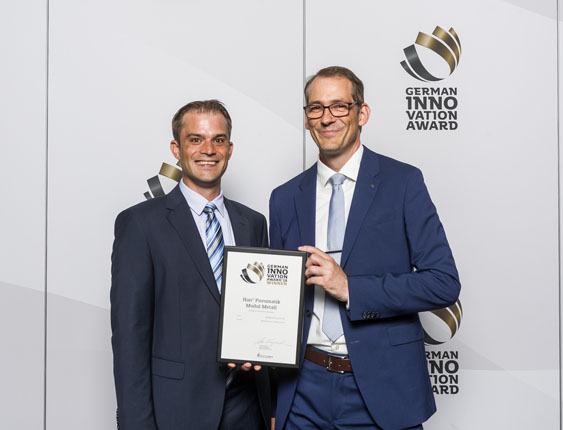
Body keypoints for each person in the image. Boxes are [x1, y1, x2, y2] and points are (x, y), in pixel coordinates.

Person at [269, 66, 460, 430]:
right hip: (302, 390)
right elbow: (281, 301)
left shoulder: (403, 183)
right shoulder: (284, 198)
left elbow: (443, 282)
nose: (327, 118)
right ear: (307, 118)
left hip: (381, 389)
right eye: (316, 108)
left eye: (339, 106)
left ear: (362, 113)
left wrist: (352, 289)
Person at [111, 100, 271, 429]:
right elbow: (130, 336)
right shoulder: (141, 224)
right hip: (176, 410)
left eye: (218, 139)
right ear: (176, 148)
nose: (208, 150)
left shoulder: (252, 223)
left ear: (230, 148)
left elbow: (262, 316)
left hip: (246, 409)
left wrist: (269, 407)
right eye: (195, 139)